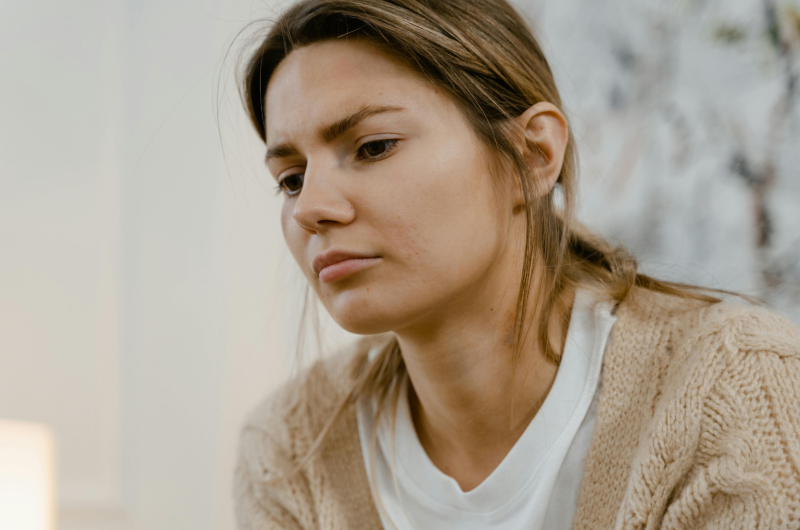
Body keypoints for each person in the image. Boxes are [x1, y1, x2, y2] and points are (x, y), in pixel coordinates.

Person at [232, 0, 800, 528]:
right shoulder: (288, 452)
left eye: (374, 146)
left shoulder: (738, 391)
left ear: (532, 156)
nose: (309, 208)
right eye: (291, 178)